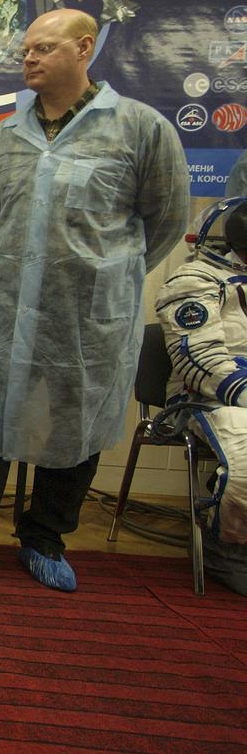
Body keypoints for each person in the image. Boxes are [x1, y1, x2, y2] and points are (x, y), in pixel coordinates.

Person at [0, 8, 191, 593]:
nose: (28, 58)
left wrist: (106, 272)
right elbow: (0, 218)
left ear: (84, 48)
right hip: (13, 310)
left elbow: (164, 222)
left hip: (91, 319)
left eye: (43, 48)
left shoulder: (140, 128)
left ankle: (46, 537)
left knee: (75, 424)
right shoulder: (5, 136)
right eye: (25, 50)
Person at [155, 198, 247, 595]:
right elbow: (199, 357)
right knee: (245, 461)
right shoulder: (194, 280)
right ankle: (225, 551)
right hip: (209, 397)